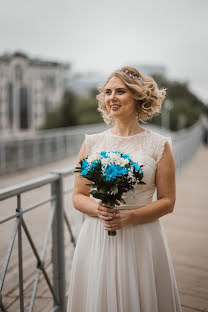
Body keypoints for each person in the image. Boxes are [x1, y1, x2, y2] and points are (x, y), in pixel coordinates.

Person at [67, 66, 182, 312]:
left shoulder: (159, 145)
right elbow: (78, 196)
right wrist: (100, 210)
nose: (112, 98)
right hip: (98, 235)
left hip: (142, 236)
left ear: (137, 96)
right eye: (108, 92)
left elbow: (168, 201)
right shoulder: (92, 143)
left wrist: (131, 216)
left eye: (120, 91)